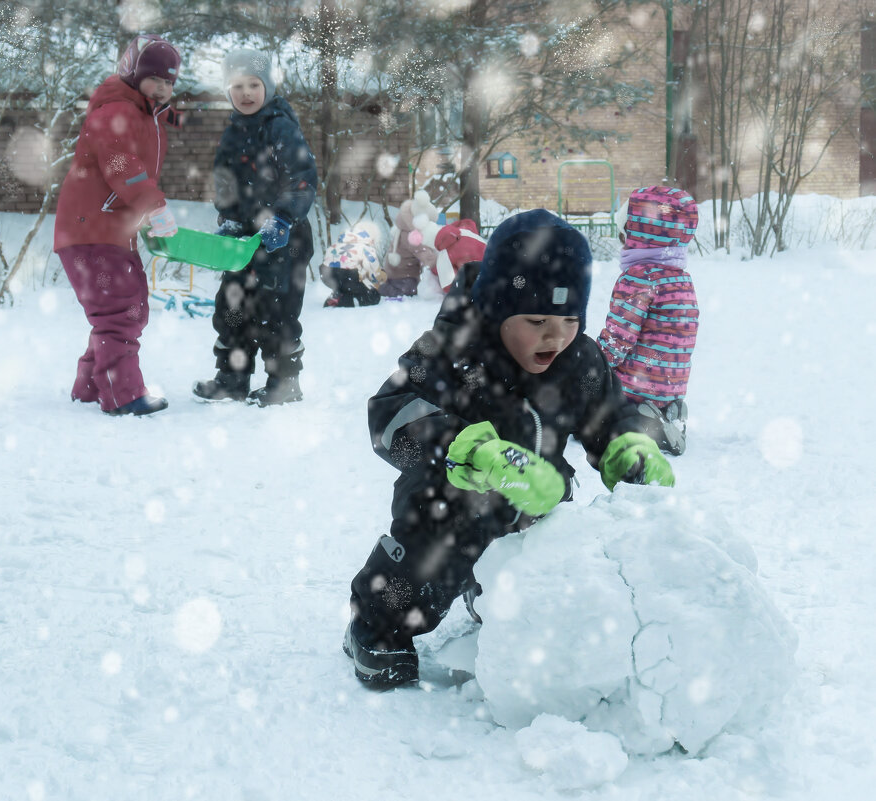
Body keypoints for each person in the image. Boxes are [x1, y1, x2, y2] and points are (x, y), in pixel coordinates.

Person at [343, 209, 677, 688]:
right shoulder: (453, 349)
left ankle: (498, 594)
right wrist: (471, 451)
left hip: (534, 502)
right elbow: (390, 412)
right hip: (452, 498)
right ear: (499, 308)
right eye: (537, 319)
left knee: (558, 550)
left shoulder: (579, 359)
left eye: (568, 319)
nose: (555, 336)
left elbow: (609, 415)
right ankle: (376, 626)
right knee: (435, 544)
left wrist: (628, 446)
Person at [53, 34, 182, 416]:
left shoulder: (143, 113)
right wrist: (153, 206)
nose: (163, 87)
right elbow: (121, 166)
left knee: (125, 307)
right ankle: (122, 394)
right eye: (155, 77)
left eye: (170, 81)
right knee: (119, 310)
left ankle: (91, 387)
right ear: (134, 73)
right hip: (92, 229)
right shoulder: (115, 113)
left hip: (106, 229)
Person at [192, 49, 317, 406]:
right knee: (232, 307)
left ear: (268, 87)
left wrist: (282, 217)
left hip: (284, 238)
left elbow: (303, 179)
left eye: (253, 84)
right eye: (237, 86)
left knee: (275, 312)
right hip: (243, 239)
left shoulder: (280, 127)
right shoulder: (233, 131)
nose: (245, 93)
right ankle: (232, 378)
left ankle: (284, 383)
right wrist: (229, 217)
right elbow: (225, 181)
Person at [597, 186, 700, 455]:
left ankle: (643, 422)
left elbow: (618, 339)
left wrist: (593, 363)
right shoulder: (681, 278)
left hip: (638, 383)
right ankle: (669, 411)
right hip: (673, 382)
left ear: (639, 236)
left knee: (598, 411)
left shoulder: (639, 278)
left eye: (625, 235)